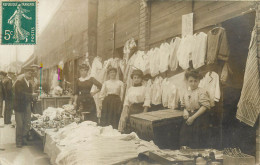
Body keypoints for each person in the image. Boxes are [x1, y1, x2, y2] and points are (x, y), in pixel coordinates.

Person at [179, 69, 211, 149]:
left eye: (195, 81)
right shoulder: (186, 92)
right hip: (188, 118)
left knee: (197, 142)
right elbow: (183, 105)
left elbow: (205, 106)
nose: (193, 83)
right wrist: (185, 111)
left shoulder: (202, 91)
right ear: (187, 81)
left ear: (199, 81)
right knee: (185, 140)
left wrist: (193, 117)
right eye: (191, 81)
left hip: (199, 119)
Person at [14, 67, 36, 148]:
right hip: (19, 106)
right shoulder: (19, 82)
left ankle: (23, 139)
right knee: (20, 124)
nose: (30, 75)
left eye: (31, 73)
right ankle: (18, 141)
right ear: (24, 73)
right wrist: (31, 95)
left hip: (27, 105)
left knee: (27, 122)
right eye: (28, 73)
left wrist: (33, 97)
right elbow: (20, 93)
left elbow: (29, 94)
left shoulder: (29, 84)